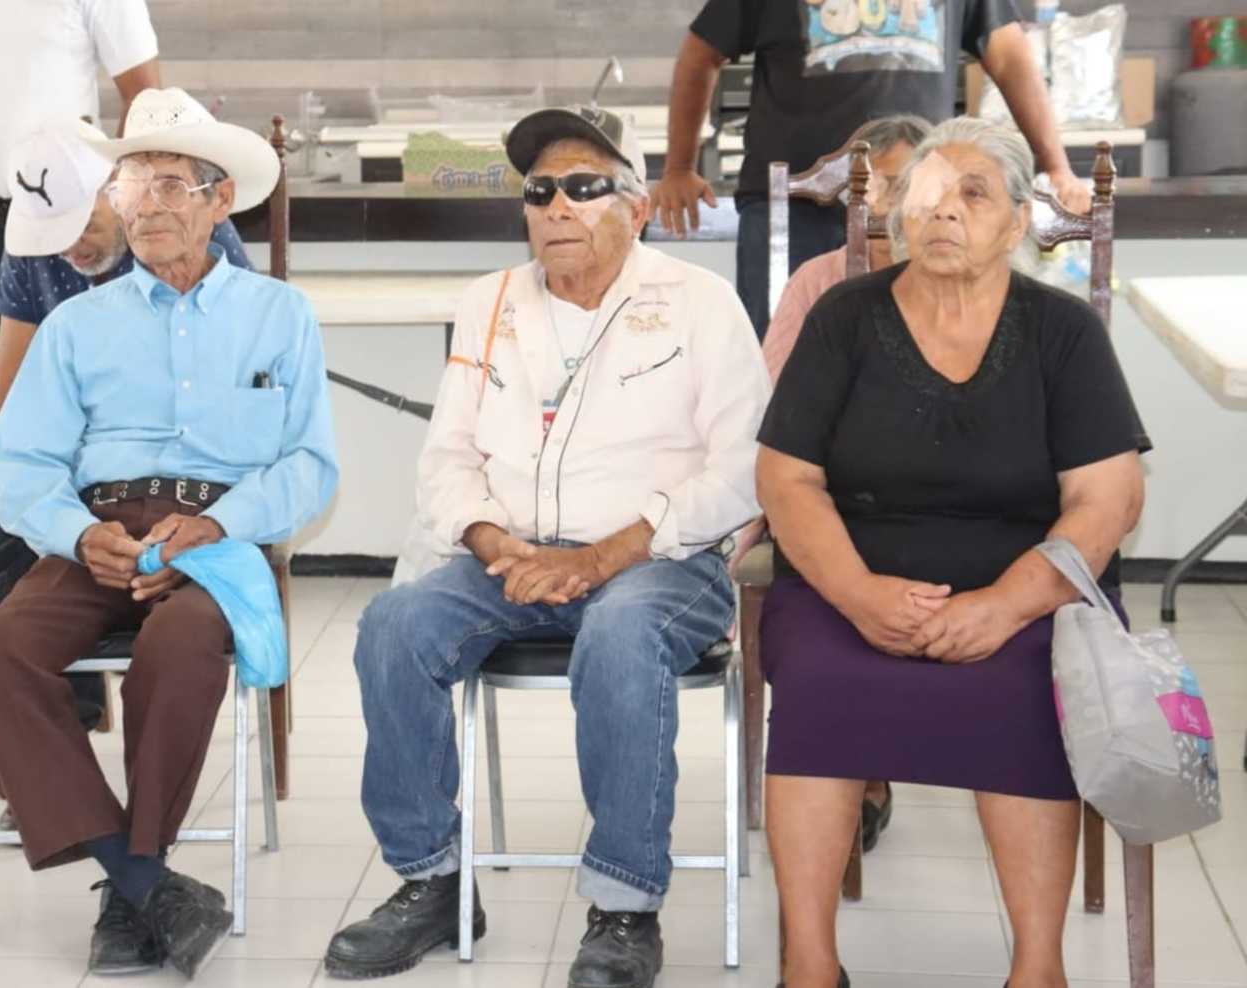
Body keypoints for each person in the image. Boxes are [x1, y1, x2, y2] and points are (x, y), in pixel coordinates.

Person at [325, 105, 770, 987]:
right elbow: (447, 459)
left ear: (636, 207)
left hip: (660, 560)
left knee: (617, 635)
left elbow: (746, 470)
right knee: (393, 627)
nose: (557, 205)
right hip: (512, 558)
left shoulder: (700, 303)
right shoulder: (488, 302)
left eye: (584, 186)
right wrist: (496, 542)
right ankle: (432, 879)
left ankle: (624, 906)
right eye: (540, 190)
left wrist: (600, 560)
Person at [754, 117, 1149, 988]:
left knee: (1032, 682)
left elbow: (1108, 499)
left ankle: (1037, 968)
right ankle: (809, 966)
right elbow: (786, 482)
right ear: (898, 217)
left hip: (1027, 585)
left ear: (1018, 224)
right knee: (820, 678)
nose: (945, 210)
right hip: (848, 576)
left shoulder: (1062, 333)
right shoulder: (843, 319)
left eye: (974, 193)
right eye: (927, 193)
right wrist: (858, 594)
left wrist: (1004, 605)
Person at [0, 88, 338, 980]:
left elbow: (309, 468)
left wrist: (220, 520)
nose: (150, 205)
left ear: (219, 204)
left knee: (178, 648)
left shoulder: (276, 314)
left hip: (214, 531)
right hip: (96, 529)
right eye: (136, 184)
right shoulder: (76, 324)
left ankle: (134, 891)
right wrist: (71, 530)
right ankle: (141, 881)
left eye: (174, 185)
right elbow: (21, 458)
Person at [0, 122, 254, 745]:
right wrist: (44, 479)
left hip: (178, 465)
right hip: (79, 455)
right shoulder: (31, 244)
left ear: (116, 192)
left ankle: (6, 688)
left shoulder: (193, 229)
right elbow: (14, 397)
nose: (67, 250)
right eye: (53, 236)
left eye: (80, 229)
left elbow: (216, 392)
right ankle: (37, 717)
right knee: (19, 522)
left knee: (35, 550)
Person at [651, 0, 1093, 339]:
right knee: (781, 358)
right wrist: (678, 167)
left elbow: (1010, 56)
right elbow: (700, 55)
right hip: (793, 215)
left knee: (924, 349)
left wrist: (1056, 166)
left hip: (919, 211)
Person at [733, 112, 932, 854]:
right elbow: (772, 405)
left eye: (904, 182)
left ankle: (890, 752)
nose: (882, 203)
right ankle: (857, 767)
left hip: (938, 504)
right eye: (871, 182)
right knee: (837, 558)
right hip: (828, 496)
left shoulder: (962, 281)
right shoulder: (816, 281)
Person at [0, 0, 161, 530]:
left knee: (59, 419)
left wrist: (111, 202)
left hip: (62, 222)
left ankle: (43, 573)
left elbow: (144, 98)